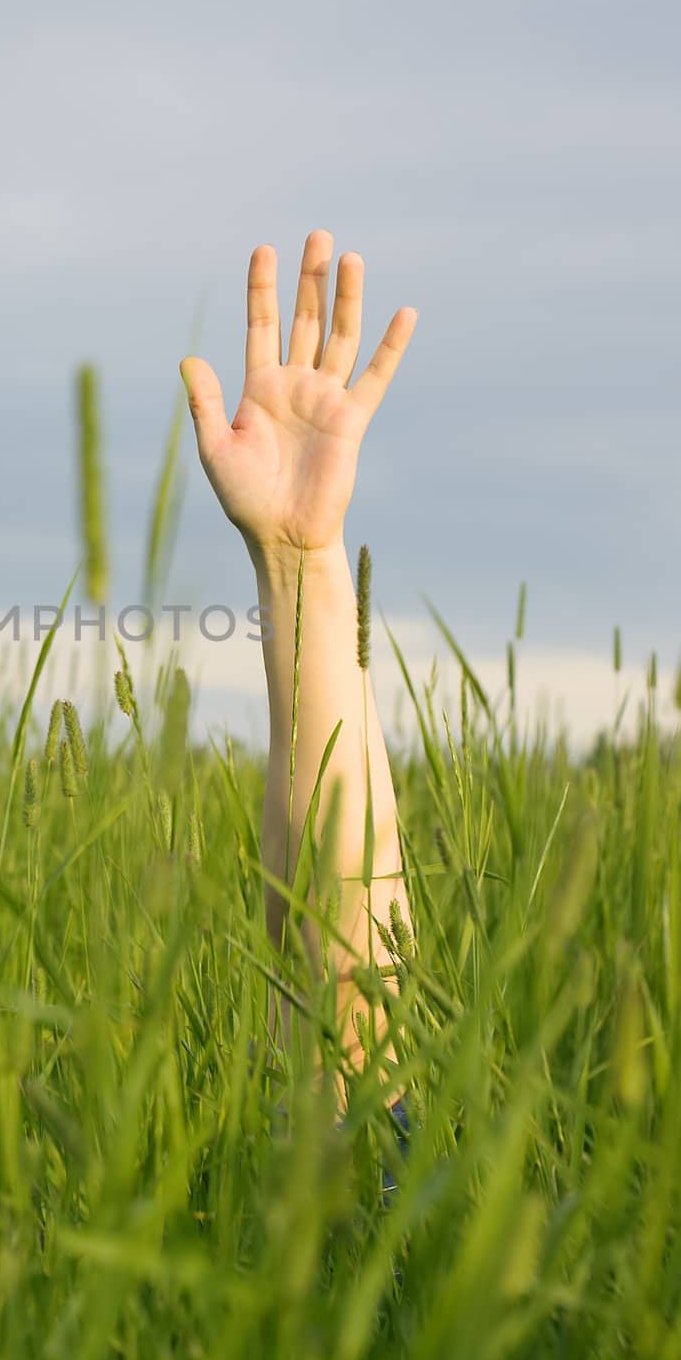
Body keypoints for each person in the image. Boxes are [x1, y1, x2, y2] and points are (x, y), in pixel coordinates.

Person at [180, 232, 417, 1076]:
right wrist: (294, 559)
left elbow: (347, 999)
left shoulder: (354, 1170)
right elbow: (345, 995)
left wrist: (303, 558)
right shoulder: (356, 1172)